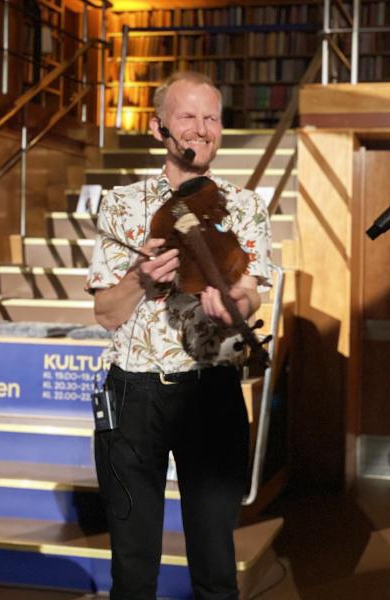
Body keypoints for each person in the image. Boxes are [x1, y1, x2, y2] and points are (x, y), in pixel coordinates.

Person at [86, 71, 272, 600]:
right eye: (188, 116)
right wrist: (140, 279)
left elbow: (252, 293)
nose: (201, 128)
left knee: (216, 564)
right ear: (158, 127)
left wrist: (235, 304)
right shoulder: (123, 206)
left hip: (211, 390)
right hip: (135, 393)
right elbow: (106, 312)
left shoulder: (246, 206)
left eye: (211, 117)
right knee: (134, 563)